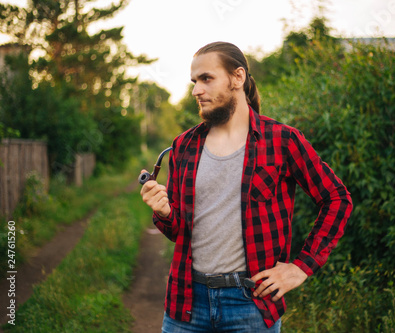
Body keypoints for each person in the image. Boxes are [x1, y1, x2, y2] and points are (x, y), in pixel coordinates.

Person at [140, 41, 352, 332]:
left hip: (251, 305)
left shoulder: (282, 140)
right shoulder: (184, 146)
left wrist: (301, 267)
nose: (196, 91)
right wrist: (164, 211)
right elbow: (178, 232)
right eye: (194, 81)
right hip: (186, 304)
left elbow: (337, 199)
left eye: (206, 79)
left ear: (237, 78)